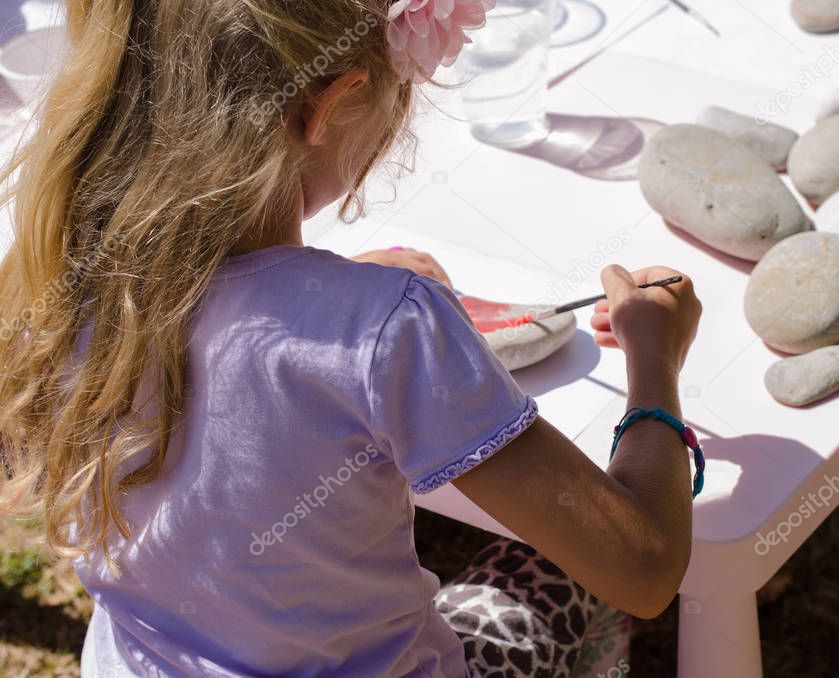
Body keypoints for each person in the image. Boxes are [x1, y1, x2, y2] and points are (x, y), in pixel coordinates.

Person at [0, 0, 702, 675]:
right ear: (328, 104)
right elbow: (642, 568)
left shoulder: (47, 269)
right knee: (561, 568)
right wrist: (655, 363)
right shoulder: (388, 326)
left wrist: (325, 306)